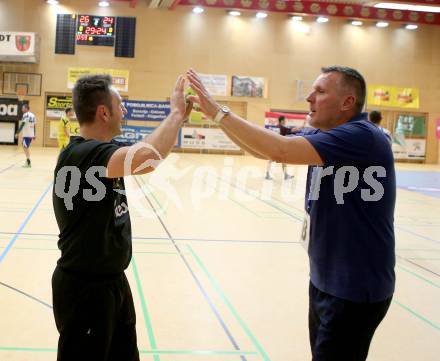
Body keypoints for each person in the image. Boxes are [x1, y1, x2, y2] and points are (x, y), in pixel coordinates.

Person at [187, 66, 395, 361]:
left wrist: (220, 112)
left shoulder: (361, 137)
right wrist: (216, 119)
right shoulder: (330, 135)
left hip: (354, 287)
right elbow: (264, 151)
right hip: (327, 279)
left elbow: (280, 150)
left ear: (347, 102)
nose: (309, 97)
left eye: (320, 91)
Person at [52, 74, 191, 361]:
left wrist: (176, 119)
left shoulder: (101, 155)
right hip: (84, 291)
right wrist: (175, 114)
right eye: (120, 104)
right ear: (104, 112)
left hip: (112, 284)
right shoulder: (80, 154)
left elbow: (144, 155)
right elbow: (147, 158)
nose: (125, 111)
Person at [265, 115, 296, 180]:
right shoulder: (282, 128)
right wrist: (303, 126)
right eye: (284, 120)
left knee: (281, 160)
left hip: (274, 146)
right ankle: (268, 175)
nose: (285, 121)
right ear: (282, 121)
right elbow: (293, 130)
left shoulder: (276, 127)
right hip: (278, 147)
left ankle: (285, 175)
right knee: (272, 160)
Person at [15, 103, 36, 168]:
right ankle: (28, 161)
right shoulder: (33, 115)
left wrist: (17, 133)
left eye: (23, 108)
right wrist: (34, 134)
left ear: (26, 108)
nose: (22, 109)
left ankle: (28, 161)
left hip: (27, 134)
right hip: (31, 134)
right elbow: (34, 125)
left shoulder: (25, 115)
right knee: (25, 146)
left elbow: (22, 124)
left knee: (25, 147)